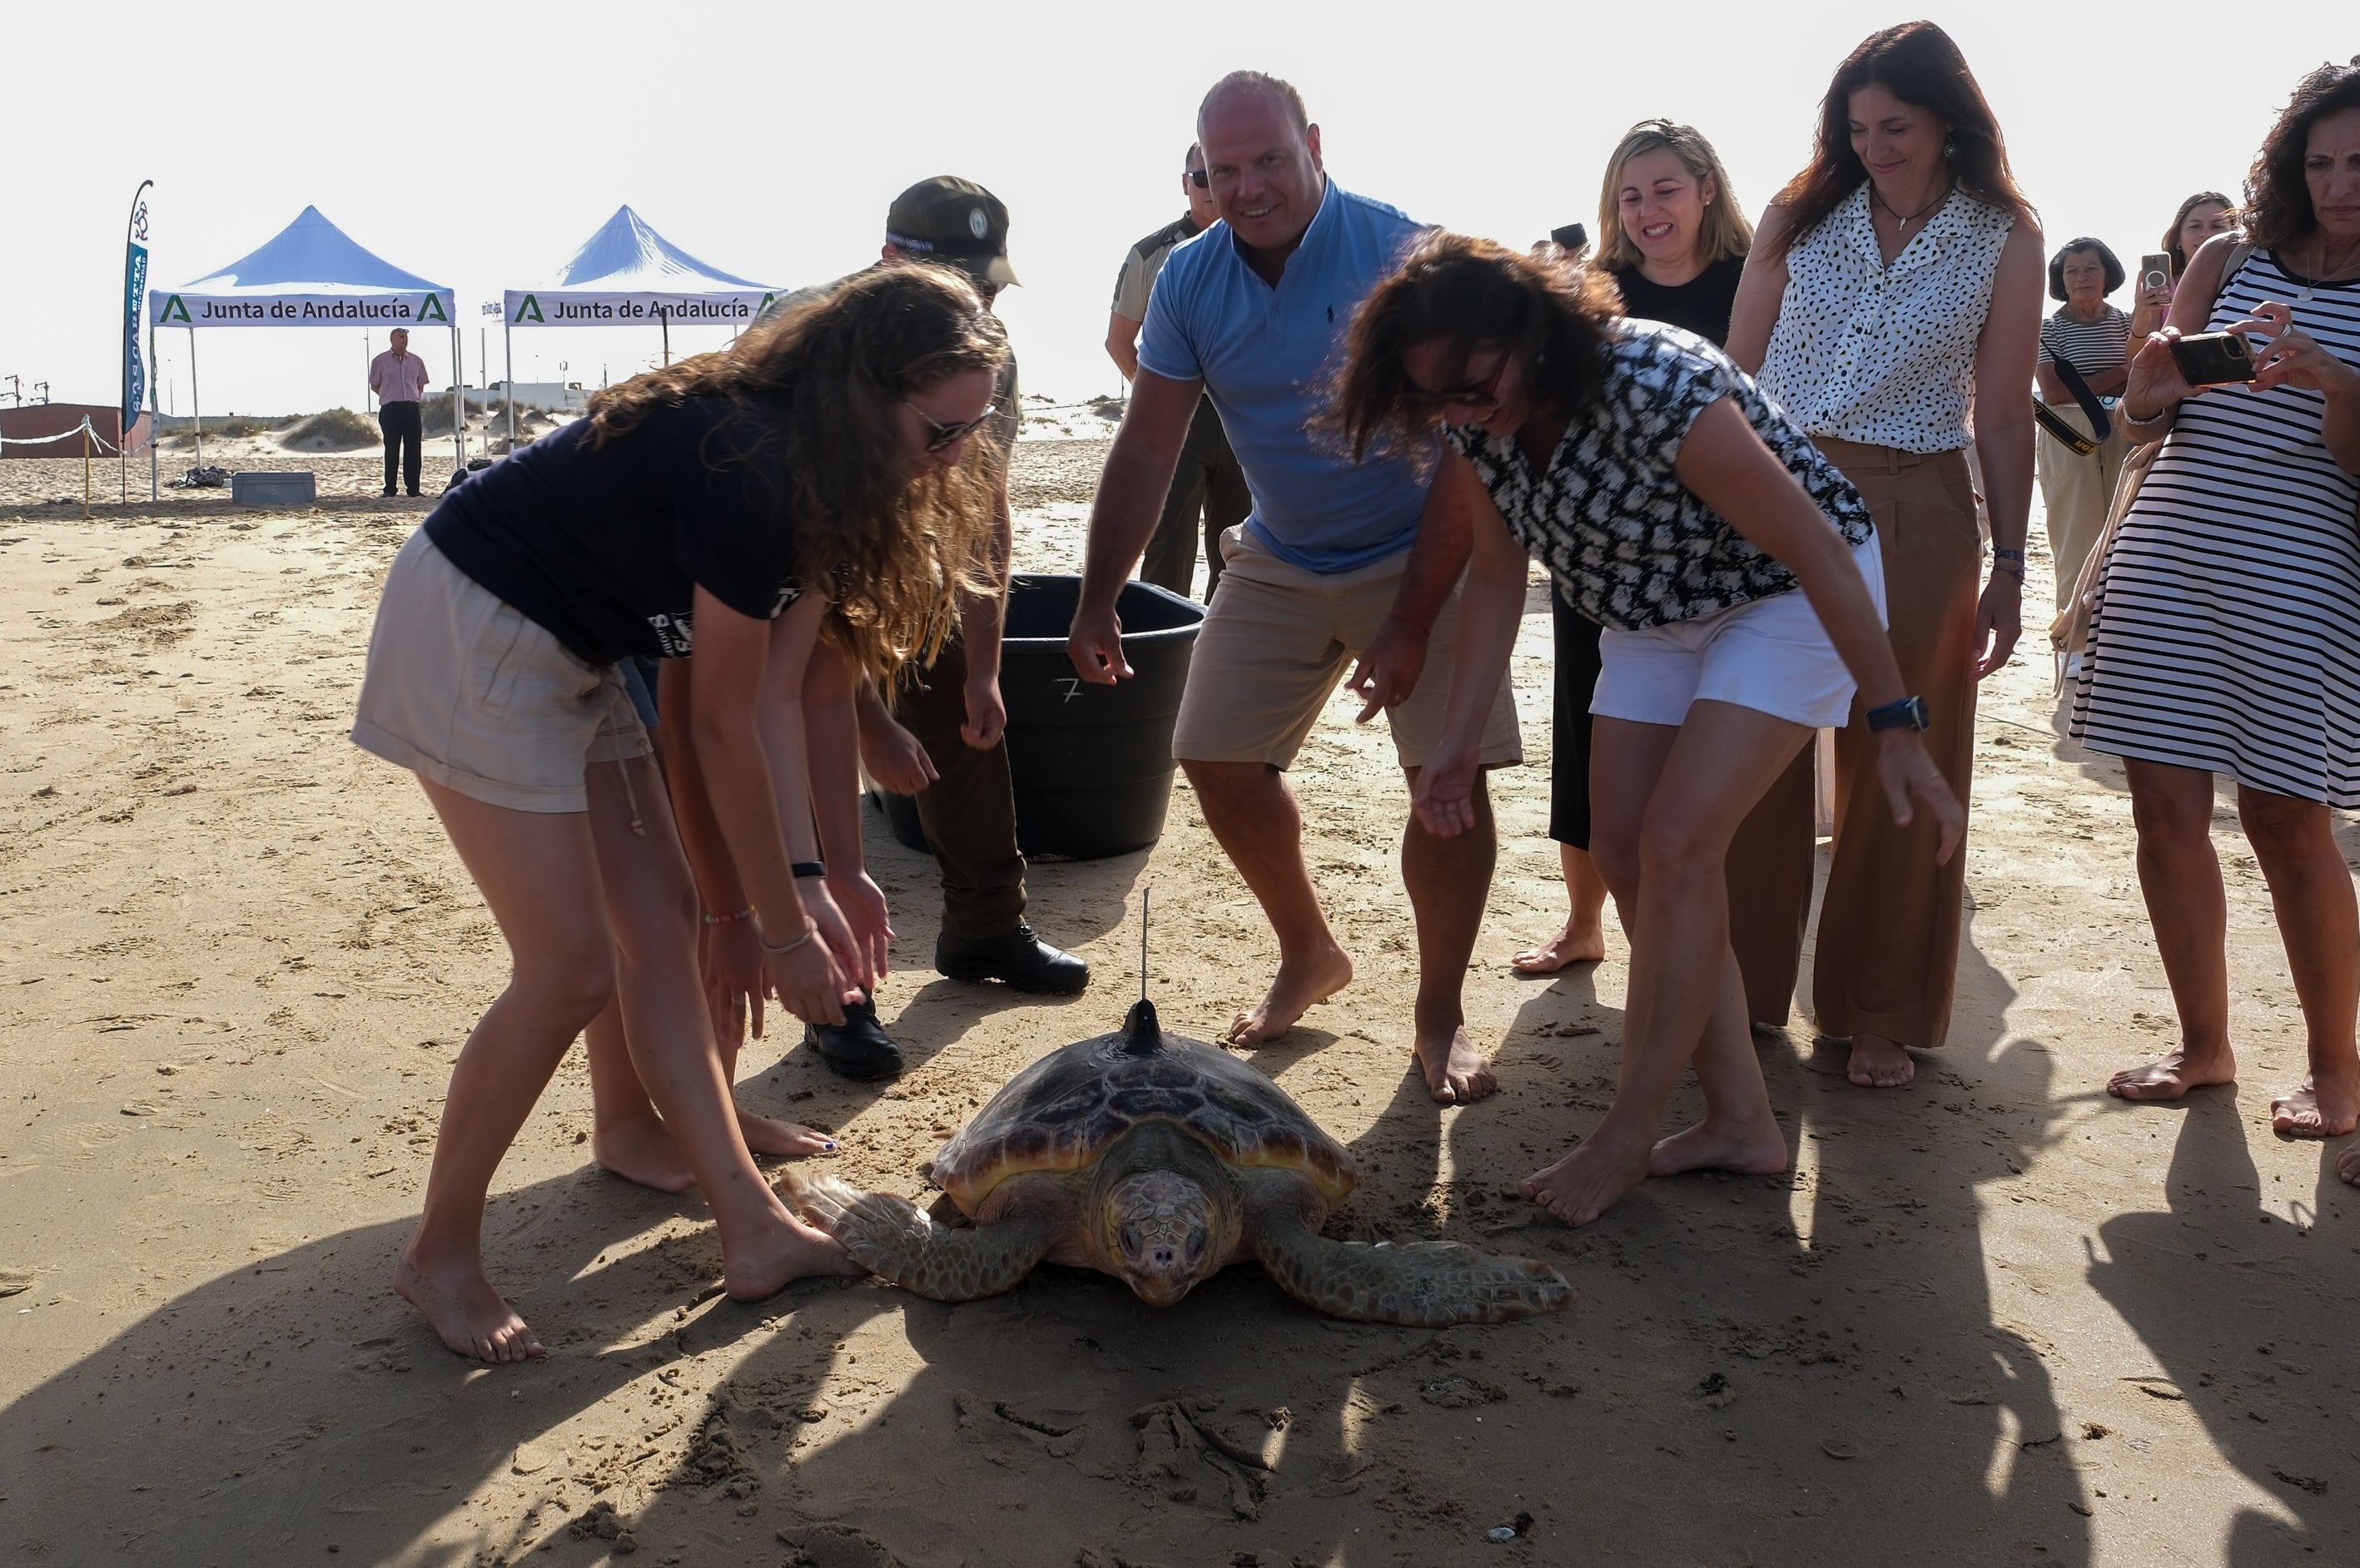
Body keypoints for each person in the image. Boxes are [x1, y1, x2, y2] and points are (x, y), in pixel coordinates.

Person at [347, 265, 1009, 1359]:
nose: (951, 458)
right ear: (862, 391)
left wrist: (760, 900)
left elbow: (755, 708)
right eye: (939, 430)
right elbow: (717, 730)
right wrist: (781, 925)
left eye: (971, 431)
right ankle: (439, 1253)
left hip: (578, 646)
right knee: (569, 968)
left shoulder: (821, 480)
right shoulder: (747, 463)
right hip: (473, 623)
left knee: (657, 938)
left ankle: (744, 1223)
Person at [1329, 232, 1960, 1224]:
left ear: (1529, 331)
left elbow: (1816, 547)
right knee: (1624, 848)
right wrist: (1453, 743)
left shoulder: (1654, 382)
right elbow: (1495, 577)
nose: (1460, 409)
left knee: (1678, 843)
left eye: (1471, 381)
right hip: (1650, 612)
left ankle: (1627, 1134)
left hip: (1784, 592)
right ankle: (1742, 1126)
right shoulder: (1476, 424)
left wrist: (1892, 722)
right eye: (1436, 398)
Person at [1066, 71, 1523, 1104]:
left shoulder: (1406, 255)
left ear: (1314, 143)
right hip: (1281, 547)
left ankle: (1439, 1015)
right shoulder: (1187, 280)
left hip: (1426, 544)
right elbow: (1147, 442)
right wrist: (1100, 595)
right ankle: (1309, 951)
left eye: (1268, 159)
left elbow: (1467, 452)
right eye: (1224, 170)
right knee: (1212, 754)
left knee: (1446, 790)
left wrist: (1409, 623)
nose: (1248, 187)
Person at [1723, 20, 2044, 1086]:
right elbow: (1734, 375)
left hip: (1922, 505)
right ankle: (1738, 991)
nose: (1874, 146)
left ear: (1950, 116)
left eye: (1895, 125)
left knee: (1901, 758)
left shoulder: (2007, 233)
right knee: (1752, 747)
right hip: (1777, 490)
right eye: (1857, 128)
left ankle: (1876, 1009)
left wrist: (2009, 563)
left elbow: (2001, 415)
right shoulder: (1795, 211)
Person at [2073, 59, 2360, 1140]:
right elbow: (2143, 414)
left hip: (2301, 577)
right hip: (2167, 556)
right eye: (2317, 159)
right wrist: (2169, 379)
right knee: (2162, 810)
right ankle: (2203, 1048)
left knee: (2291, 822)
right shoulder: (2224, 256)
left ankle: (2335, 1070)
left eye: (2355, 162)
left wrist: (2330, 382)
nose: (2335, 182)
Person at [796, 175, 1093, 1084]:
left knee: (969, 731)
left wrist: (984, 669)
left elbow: (985, 504)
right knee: (813, 748)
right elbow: (794, 551)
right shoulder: (814, 336)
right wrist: (863, 716)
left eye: (989, 287)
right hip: (802, 577)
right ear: (892, 261)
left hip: (915, 572)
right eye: (957, 281)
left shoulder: (984, 350)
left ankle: (987, 928)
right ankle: (839, 991)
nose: (977, 304)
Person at [1513, 119, 1755, 979]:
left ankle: (1720, 945)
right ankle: (1584, 922)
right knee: (1585, 734)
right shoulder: (1595, 291)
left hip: (1728, 560)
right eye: (1630, 196)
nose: (1649, 210)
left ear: (1706, 191)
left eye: (1665, 190)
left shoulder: (1754, 282)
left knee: (1709, 752)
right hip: (1608, 555)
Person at [1107, 145, 1251, 603]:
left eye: (1222, 172)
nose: (1212, 187)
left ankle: (1221, 660)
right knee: (1168, 548)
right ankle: (1163, 657)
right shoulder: (1151, 253)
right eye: (1201, 177)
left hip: (1244, 420)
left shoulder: (1263, 247)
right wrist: (1161, 399)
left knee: (1239, 555)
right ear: (1185, 183)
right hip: (1180, 424)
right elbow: (1118, 341)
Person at [2035, 239, 2133, 633]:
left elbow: (2144, 371)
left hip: (2126, 429)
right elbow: (2056, 393)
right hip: (2069, 434)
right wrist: (2121, 373)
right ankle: (2074, 634)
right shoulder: (2048, 328)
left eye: (2091, 268)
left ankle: (2118, 631)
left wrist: (2115, 377)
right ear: (2060, 280)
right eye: (2072, 271)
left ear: (2107, 274)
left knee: (2125, 533)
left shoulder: (2128, 322)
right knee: (2075, 533)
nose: (2082, 277)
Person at [2129, 191, 2238, 343]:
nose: (2206, 234)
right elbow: (2137, 357)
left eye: (2217, 226)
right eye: (2195, 227)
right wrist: (2141, 320)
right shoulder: (2162, 289)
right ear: (2178, 239)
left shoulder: (2247, 283)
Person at [370, 327, 429, 498]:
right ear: (392, 340)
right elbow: (374, 384)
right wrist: (389, 394)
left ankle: (414, 489)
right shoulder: (380, 361)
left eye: (406, 337)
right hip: (391, 409)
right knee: (392, 449)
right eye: (401, 337)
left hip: (411, 408)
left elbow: (421, 383)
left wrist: (414, 396)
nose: (404, 340)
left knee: (413, 450)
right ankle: (390, 489)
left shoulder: (416, 361)